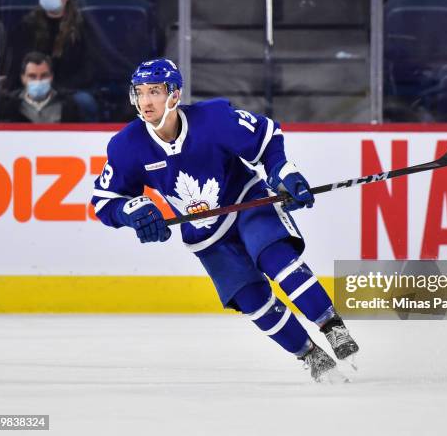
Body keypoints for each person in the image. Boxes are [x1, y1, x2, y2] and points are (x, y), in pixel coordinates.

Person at [91, 58, 359, 382]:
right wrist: (130, 213)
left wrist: (281, 171)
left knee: (276, 257)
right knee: (251, 298)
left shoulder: (214, 118)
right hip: (203, 232)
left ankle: (332, 326)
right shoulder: (126, 146)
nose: (146, 101)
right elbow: (104, 200)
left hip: (246, 201)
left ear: (174, 94)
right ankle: (310, 355)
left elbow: (266, 135)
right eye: (140, 92)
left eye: (155, 91)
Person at [6, 0, 97, 121]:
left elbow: (88, 67)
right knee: (7, 103)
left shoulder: (81, 27)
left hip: (70, 87)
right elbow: (19, 64)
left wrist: (62, 89)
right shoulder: (27, 25)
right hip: (33, 83)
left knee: (84, 102)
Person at [1, 51, 82, 123]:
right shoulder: (9, 104)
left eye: (44, 76)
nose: (38, 81)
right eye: (32, 76)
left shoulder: (68, 105)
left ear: (51, 77)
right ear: (23, 78)